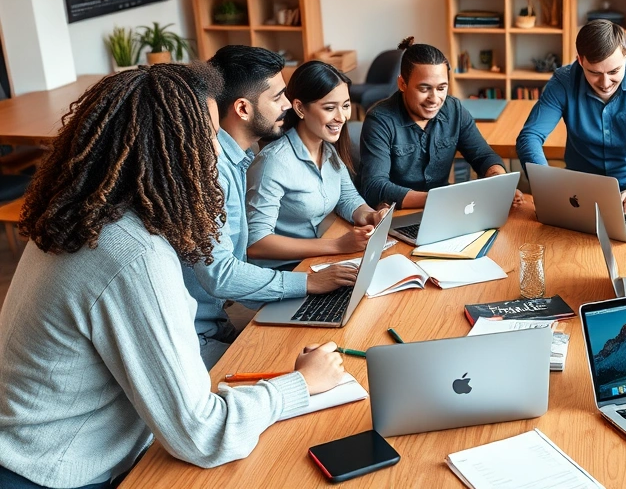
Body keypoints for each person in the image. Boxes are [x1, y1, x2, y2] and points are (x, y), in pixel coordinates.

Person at [0, 65, 345, 489]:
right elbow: (202, 435)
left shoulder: (79, 217)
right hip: (56, 474)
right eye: (207, 140)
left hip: (35, 450)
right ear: (168, 152)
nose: (217, 154)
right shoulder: (132, 254)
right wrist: (301, 384)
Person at [183, 46, 357, 369]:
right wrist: (307, 283)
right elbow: (221, 274)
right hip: (195, 339)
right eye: (278, 98)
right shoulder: (213, 172)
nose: (289, 105)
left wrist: (304, 293)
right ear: (243, 109)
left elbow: (232, 272)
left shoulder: (240, 161)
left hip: (218, 323)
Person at [515, 19, 626, 211]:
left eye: (614, 71)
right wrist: (546, 185)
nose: (605, 83)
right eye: (594, 72)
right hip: (581, 185)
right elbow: (530, 137)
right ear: (580, 60)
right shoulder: (563, 81)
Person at [247, 60, 387, 269]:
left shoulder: (328, 148)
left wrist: (371, 215)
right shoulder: (273, 163)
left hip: (317, 260)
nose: (341, 117)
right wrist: (336, 246)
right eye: (330, 108)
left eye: (346, 106)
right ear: (300, 108)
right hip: (284, 269)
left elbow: (347, 197)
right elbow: (257, 244)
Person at [359, 37, 518, 209]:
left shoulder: (454, 109)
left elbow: (483, 156)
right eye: (424, 88)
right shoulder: (380, 120)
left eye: (441, 88)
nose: (434, 99)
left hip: (444, 209)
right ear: (402, 84)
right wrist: (438, 199)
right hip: (396, 214)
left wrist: (500, 181)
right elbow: (374, 187)